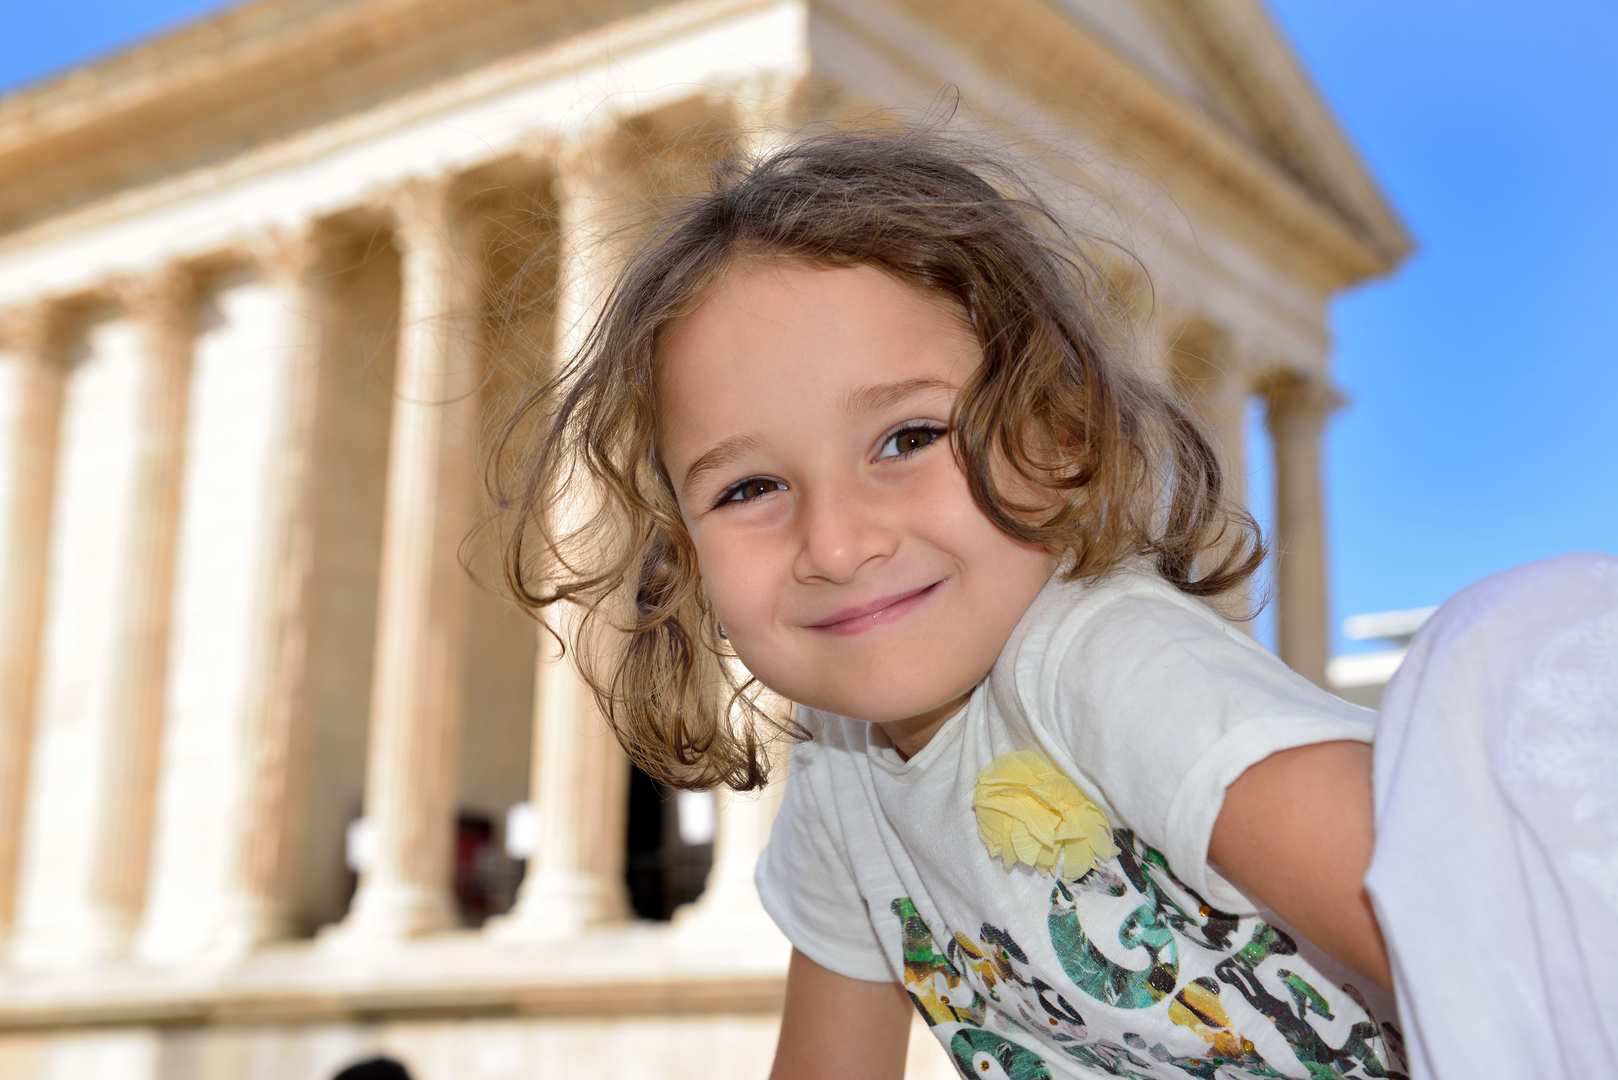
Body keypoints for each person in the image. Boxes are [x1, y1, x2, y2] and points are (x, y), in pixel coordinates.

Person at [489, 125, 1610, 1079]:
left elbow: (1491, 927)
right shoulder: (841, 770)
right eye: (749, 488)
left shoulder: (1109, 665)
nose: (834, 541)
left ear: (1057, 442)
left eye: (908, 437)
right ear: (681, 554)